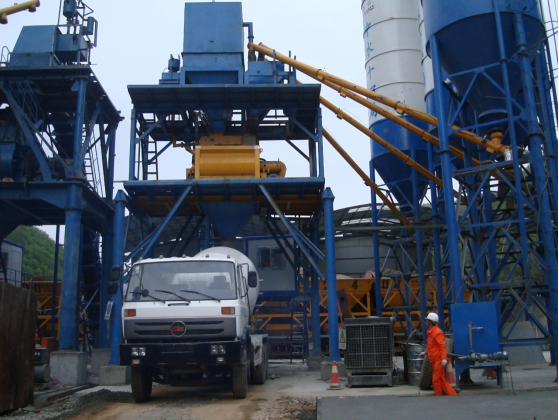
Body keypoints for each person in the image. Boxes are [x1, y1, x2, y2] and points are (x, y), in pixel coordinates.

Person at [420, 313, 458, 396]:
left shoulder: (437, 332)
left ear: (430, 322)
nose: (426, 321)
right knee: (441, 378)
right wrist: (425, 352)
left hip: (438, 360)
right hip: (433, 359)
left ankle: (438, 394)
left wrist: (444, 359)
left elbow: (442, 346)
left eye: (427, 320)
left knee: (435, 379)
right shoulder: (430, 332)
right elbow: (431, 345)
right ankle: (452, 393)